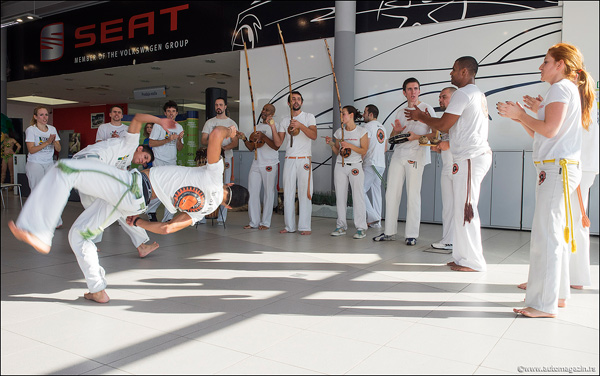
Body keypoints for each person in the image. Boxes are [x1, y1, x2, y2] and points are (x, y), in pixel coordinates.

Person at [9, 125, 249, 304]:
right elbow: (167, 229)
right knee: (80, 235)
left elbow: (216, 134)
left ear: (230, 185)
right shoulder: (204, 211)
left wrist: (230, 130)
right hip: (134, 205)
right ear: (228, 207)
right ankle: (97, 289)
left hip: (134, 187)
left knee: (67, 167)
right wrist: (140, 221)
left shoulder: (215, 176)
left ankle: (39, 230)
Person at [498, 43, 594, 318]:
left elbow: (549, 131)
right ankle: (558, 295)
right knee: (552, 235)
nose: (541, 66)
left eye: (546, 61)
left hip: (556, 170)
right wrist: (521, 118)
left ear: (560, 64)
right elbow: (542, 135)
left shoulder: (561, 88)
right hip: (556, 169)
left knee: (547, 237)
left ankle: (543, 303)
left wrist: (522, 115)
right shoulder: (564, 89)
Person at [405, 57, 492, 272]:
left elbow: (444, 123)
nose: (450, 74)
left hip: (470, 157)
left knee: (467, 209)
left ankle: (474, 261)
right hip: (465, 157)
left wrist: (420, 116)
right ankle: (462, 257)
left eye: (453, 70)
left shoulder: (464, 93)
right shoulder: (476, 93)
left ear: (464, 71)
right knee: (459, 208)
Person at [75, 113, 167, 258]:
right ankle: (140, 244)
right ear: (140, 149)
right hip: (89, 163)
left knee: (97, 209)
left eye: (145, 162)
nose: (142, 162)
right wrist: (160, 121)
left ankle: (84, 242)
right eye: (145, 157)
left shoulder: (125, 166)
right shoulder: (130, 144)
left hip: (84, 174)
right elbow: (137, 118)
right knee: (121, 203)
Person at [373, 77, 436, 245]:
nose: (413, 92)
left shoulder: (427, 109)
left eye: (416, 88)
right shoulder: (400, 112)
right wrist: (396, 130)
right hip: (398, 155)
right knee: (391, 193)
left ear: (419, 91)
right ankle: (389, 232)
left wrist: (417, 137)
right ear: (404, 92)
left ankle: (411, 235)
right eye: (409, 89)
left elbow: (435, 134)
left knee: (413, 195)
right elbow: (393, 137)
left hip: (416, 156)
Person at [325, 105, 369, 239]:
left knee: (358, 196)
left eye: (343, 113)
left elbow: (364, 151)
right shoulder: (339, 132)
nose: (341, 116)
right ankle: (341, 226)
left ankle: (361, 227)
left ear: (351, 115)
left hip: (355, 166)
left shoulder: (361, 132)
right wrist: (332, 144)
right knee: (340, 196)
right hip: (340, 165)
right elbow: (338, 152)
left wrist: (350, 145)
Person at [239, 103, 284, 230]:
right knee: (252, 192)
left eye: (267, 110)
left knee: (268, 193)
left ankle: (265, 223)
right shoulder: (257, 126)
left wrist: (263, 136)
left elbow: (276, 146)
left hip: (270, 163)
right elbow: (251, 147)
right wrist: (244, 138)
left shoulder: (276, 126)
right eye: (263, 109)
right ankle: (254, 222)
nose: (264, 111)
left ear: (272, 114)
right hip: (256, 163)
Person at [278, 91, 317, 235]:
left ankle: (305, 226)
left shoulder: (308, 117)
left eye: (298, 99)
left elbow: (314, 135)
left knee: (305, 193)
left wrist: (300, 125)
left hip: (304, 159)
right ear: (288, 103)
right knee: (288, 192)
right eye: (293, 99)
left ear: (302, 102)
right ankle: (289, 226)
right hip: (289, 158)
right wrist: (271, 127)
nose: (296, 101)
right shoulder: (284, 120)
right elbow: (278, 142)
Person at [201, 97, 240, 225]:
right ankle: (202, 215)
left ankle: (221, 218)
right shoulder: (209, 123)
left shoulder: (232, 123)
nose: (218, 107)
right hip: (213, 157)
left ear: (225, 106)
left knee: (226, 185)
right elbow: (203, 140)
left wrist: (223, 148)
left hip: (227, 156)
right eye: (216, 105)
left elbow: (235, 142)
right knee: (208, 184)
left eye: (221, 105)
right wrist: (214, 143)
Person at [146, 100, 185, 222]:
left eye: (173, 111)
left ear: (177, 113)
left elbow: (179, 148)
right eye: (169, 111)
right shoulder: (158, 126)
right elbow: (151, 143)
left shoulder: (179, 127)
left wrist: (178, 139)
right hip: (159, 162)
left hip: (172, 162)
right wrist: (168, 139)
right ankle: (150, 210)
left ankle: (168, 218)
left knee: (172, 190)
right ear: (165, 112)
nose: (171, 113)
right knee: (159, 190)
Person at [25, 106, 63, 228]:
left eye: (46, 115)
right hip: (35, 163)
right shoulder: (31, 130)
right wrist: (46, 142)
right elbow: (31, 150)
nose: (44, 117)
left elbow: (59, 149)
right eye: (41, 115)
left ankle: (55, 221)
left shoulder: (52, 129)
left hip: (49, 162)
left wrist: (54, 142)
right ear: (35, 117)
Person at [431, 87, 457, 252]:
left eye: (444, 97)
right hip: (447, 167)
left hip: (458, 167)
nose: (440, 100)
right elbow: (445, 141)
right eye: (439, 97)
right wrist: (440, 147)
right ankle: (448, 239)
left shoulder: (460, 117)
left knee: (459, 207)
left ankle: (455, 241)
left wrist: (448, 144)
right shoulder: (445, 120)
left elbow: (469, 140)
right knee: (448, 207)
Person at [361, 104, 386, 229]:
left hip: (371, 163)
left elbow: (365, 146)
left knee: (360, 190)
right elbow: (385, 148)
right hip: (381, 164)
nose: (363, 115)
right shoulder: (383, 127)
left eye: (365, 112)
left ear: (371, 114)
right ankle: (377, 222)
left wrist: (360, 161)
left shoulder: (367, 127)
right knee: (376, 192)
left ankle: (373, 217)